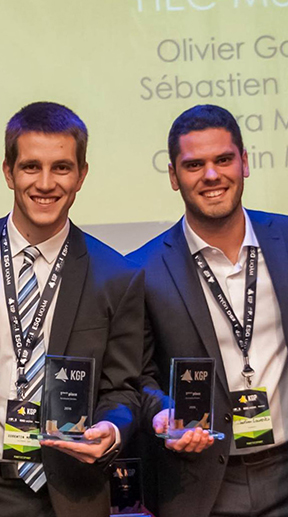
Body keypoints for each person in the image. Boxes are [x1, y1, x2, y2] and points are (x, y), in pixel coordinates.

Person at [0, 101, 144, 516]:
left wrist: (111, 429)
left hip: (72, 494)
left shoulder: (117, 275)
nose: (45, 183)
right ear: (8, 171)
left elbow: (123, 388)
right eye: (31, 167)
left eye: (61, 167)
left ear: (81, 174)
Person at [128, 104, 288, 517]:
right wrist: (163, 412)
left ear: (245, 163)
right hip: (201, 486)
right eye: (194, 164)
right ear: (173, 176)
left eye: (223, 160)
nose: (212, 175)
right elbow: (138, 376)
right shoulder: (143, 269)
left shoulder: (286, 240)